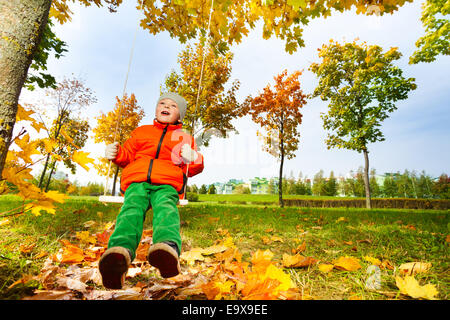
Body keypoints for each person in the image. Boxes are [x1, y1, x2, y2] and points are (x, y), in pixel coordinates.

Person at [98, 92, 204, 289]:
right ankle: (118, 254)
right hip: (137, 180)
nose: (166, 106)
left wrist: (193, 157)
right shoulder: (142, 131)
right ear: (156, 109)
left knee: (166, 209)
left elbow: (194, 167)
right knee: (131, 210)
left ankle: (167, 249)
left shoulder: (184, 137)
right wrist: (116, 153)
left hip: (167, 182)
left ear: (179, 116)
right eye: (162, 103)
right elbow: (127, 155)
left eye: (172, 106)